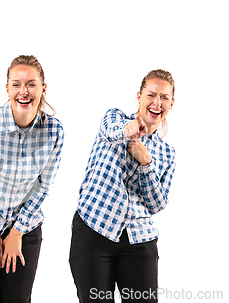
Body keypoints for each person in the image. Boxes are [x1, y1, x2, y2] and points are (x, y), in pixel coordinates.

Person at [0, 55, 64, 303]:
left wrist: (16, 233)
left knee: (18, 298)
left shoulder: (54, 131)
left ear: (42, 88)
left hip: (25, 225)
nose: (23, 91)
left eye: (31, 84)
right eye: (16, 84)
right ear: (7, 89)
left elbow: (44, 186)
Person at [69, 69, 176, 303]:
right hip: (94, 231)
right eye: (151, 95)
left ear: (171, 103)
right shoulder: (114, 118)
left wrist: (146, 161)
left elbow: (157, 204)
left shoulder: (167, 153)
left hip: (140, 240)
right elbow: (111, 131)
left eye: (164, 97)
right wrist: (128, 130)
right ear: (139, 96)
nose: (157, 102)